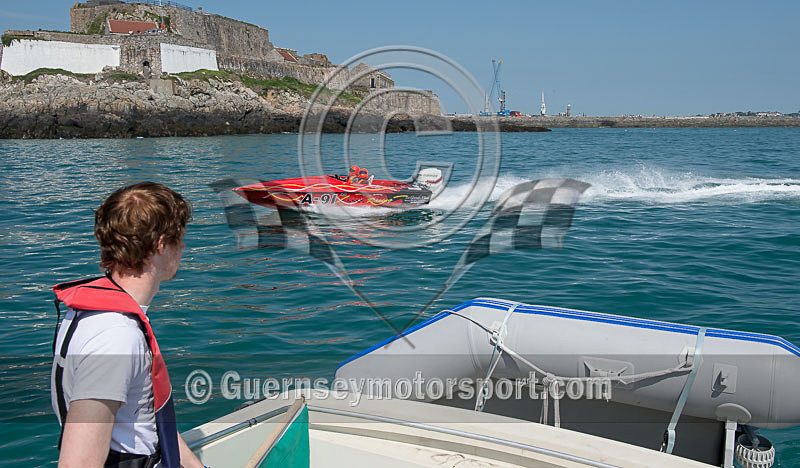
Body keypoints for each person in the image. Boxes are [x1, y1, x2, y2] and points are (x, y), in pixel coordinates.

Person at [50, 182, 204, 468]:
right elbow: (78, 463)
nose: (183, 246)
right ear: (161, 244)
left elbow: (144, 418)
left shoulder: (95, 311)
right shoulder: (115, 338)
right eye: (180, 238)